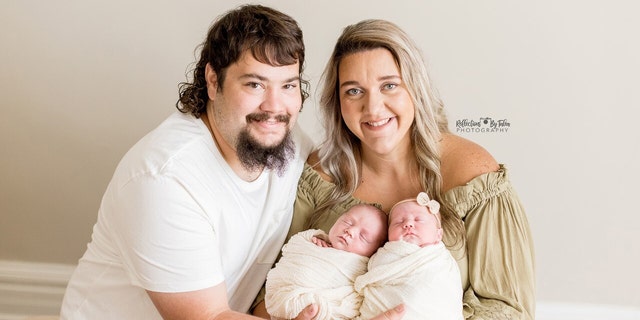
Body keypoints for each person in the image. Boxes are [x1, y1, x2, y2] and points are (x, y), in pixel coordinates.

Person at [256, 18, 536, 320]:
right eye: (353, 91)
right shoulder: (318, 175)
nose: (373, 108)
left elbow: (509, 308)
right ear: (337, 103)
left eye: (389, 85)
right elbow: (266, 294)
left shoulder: (471, 173)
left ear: (415, 88)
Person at [60, 5, 315, 319]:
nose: (275, 106)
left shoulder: (283, 139)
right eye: (254, 84)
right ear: (212, 80)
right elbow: (206, 317)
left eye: (288, 85)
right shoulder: (164, 178)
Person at [264, 203, 387, 320]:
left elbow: (356, 297)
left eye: (363, 236)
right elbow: (295, 247)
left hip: (326, 306)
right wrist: (313, 239)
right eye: (347, 222)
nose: (350, 231)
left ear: (374, 252)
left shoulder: (361, 268)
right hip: (285, 293)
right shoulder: (314, 241)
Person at [355, 192, 462, 320]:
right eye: (398, 222)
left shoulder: (440, 260)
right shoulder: (384, 253)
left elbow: (448, 291)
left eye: (419, 220)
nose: (408, 224)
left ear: (438, 235)